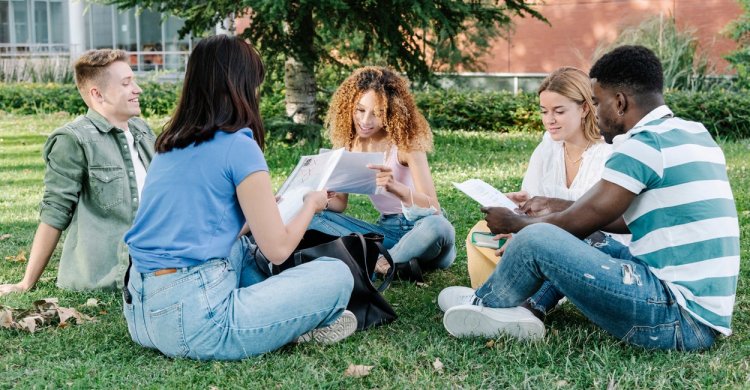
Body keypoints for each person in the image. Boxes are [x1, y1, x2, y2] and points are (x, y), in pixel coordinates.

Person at [439, 45, 739, 351]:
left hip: (676, 320)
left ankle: (484, 303)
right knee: (589, 235)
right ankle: (524, 308)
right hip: (698, 314)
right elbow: (621, 219)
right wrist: (557, 206)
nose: (594, 112)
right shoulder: (694, 132)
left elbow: (575, 224)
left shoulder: (641, 145)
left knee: (539, 237)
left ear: (619, 102)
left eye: (597, 102)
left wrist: (515, 222)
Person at [122, 35, 355, 361]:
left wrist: (258, 214)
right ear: (242, 86)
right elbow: (277, 250)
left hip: (141, 311)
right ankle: (295, 319)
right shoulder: (239, 146)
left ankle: (281, 315)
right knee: (336, 274)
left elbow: (197, 227)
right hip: (195, 323)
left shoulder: (169, 144)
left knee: (240, 245)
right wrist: (311, 205)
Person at [0, 49, 154, 295]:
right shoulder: (74, 139)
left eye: (133, 81)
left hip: (156, 267)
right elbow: (55, 211)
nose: (138, 89)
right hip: (107, 279)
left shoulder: (142, 130)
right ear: (97, 94)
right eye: (126, 83)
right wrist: (25, 283)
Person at [466, 67, 621, 291]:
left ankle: (505, 291)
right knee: (479, 232)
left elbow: (601, 222)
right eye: (544, 111)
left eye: (558, 111)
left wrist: (529, 236)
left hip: (592, 248)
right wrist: (515, 207)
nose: (549, 120)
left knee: (539, 250)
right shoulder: (548, 145)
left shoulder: (608, 152)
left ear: (585, 108)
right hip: (541, 234)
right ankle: (500, 286)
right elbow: (530, 199)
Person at [308, 66, 456, 282]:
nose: (365, 121)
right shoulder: (348, 145)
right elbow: (339, 204)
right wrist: (322, 196)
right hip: (388, 233)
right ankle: (398, 264)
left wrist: (399, 189)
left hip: (425, 234)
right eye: (360, 110)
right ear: (349, 106)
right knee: (312, 215)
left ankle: (379, 265)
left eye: (376, 114)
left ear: (390, 112)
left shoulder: (406, 143)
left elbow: (433, 208)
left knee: (439, 225)